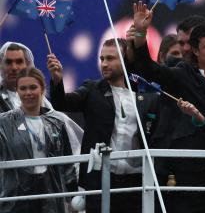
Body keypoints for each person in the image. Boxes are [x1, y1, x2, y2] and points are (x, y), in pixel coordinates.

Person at [128, 2, 205, 213]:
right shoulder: (183, 75)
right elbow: (148, 69)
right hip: (194, 174)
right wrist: (140, 33)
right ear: (196, 49)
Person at [47, 38, 159, 213]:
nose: (104, 64)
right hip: (100, 180)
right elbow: (62, 104)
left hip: (137, 180)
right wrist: (57, 80)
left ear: (125, 60)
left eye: (110, 58)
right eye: (102, 59)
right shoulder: (92, 89)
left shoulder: (146, 93)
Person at [0, 67, 77, 213]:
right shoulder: (4, 123)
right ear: (17, 91)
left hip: (52, 196)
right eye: (23, 88)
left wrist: (72, 196)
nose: (28, 93)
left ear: (42, 89)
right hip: (16, 198)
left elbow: (67, 163)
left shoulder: (56, 122)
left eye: (33, 87)